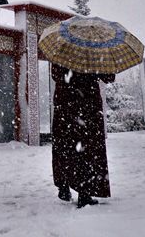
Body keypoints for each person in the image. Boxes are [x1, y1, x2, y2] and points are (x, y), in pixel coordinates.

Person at [51, 64, 114, 208]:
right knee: (86, 149)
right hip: (87, 105)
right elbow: (109, 77)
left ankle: (64, 184)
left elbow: (56, 75)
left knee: (64, 146)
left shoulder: (62, 50)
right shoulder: (93, 52)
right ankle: (84, 192)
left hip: (65, 104)